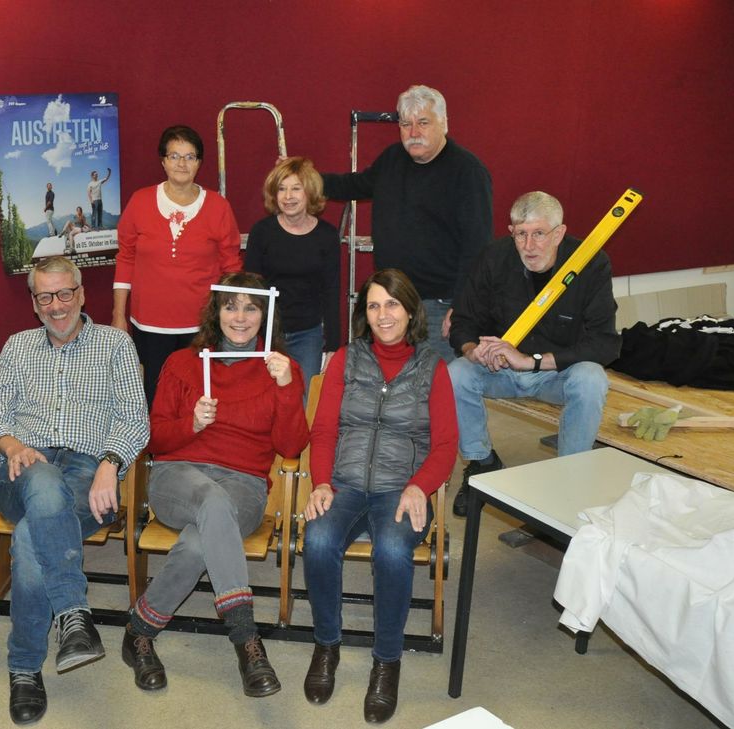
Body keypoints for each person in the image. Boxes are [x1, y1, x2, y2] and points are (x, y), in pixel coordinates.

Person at [122, 271, 309, 698]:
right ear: (215, 311)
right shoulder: (183, 363)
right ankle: (247, 639)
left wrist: (284, 387)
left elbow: (292, 445)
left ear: (265, 314)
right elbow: (154, 439)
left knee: (196, 543)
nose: (239, 317)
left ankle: (139, 631)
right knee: (210, 499)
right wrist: (190, 424)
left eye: (250, 307)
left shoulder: (281, 368)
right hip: (177, 478)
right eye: (230, 306)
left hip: (244, 485)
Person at [0, 255, 149, 725]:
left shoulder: (116, 345)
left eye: (64, 294)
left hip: (87, 472)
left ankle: (23, 668)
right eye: (44, 297)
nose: (56, 306)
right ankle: (74, 612)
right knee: (41, 479)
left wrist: (109, 466)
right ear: (33, 304)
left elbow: (135, 420)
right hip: (25, 466)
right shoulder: (18, 347)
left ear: (81, 294)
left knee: (29, 540)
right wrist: (14, 445)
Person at [302, 268, 457, 724]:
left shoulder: (434, 367)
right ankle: (327, 646)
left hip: (401, 488)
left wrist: (419, 486)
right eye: (373, 305)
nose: (383, 314)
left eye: (392, 304)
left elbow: (446, 445)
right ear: (363, 314)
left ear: (410, 311)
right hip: (345, 483)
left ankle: (387, 661)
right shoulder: (346, 360)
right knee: (318, 539)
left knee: (391, 549)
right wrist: (321, 483)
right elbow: (325, 429)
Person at [447, 191, 621, 516]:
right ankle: (481, 462)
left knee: (592, 379)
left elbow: (605, 344)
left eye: (539, 234)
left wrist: (533, 362)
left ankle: (570, 475)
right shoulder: (494, 257)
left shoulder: (591, 262)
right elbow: (463, 322)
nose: (529, 246)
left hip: (557, 374)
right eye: (520, 234)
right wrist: (476, 350)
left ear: (559, 233)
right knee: (455, 373)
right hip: (502, 371)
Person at [321, 85, 493, 362]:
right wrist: (306, 181)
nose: (413, 132)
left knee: (433, 390)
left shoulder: (468, 173)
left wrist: (462, 307)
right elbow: (354, 185)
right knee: (393, 384)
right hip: (392, 301)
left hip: (440, 307)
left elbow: (478, 247)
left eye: (423, 123)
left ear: (444, 124)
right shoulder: (392, 159)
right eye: (406, 124)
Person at [112, 125, 243, 404]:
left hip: (200, 325)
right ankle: (157, 448)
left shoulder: (219, 207)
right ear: (162, 161)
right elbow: (125, 258)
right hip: (149, 325)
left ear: (199, 163)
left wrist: (231, 317)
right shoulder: (140, 201)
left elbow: (231, 267)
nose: (181, 163)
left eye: (190, 156)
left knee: (196, 395)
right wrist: (118, 314)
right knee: (155, 395)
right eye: (174, 155)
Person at [244, 157, 341, 396]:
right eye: (281, 189)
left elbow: (331, 291)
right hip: (266, 332)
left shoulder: (327, 236)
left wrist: (333, 346)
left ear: (309, 192)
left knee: (304, 397)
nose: (288, 196)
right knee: (263, 398)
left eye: (296, 188)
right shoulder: (262, 232)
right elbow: (251, 290)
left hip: (308, 333)